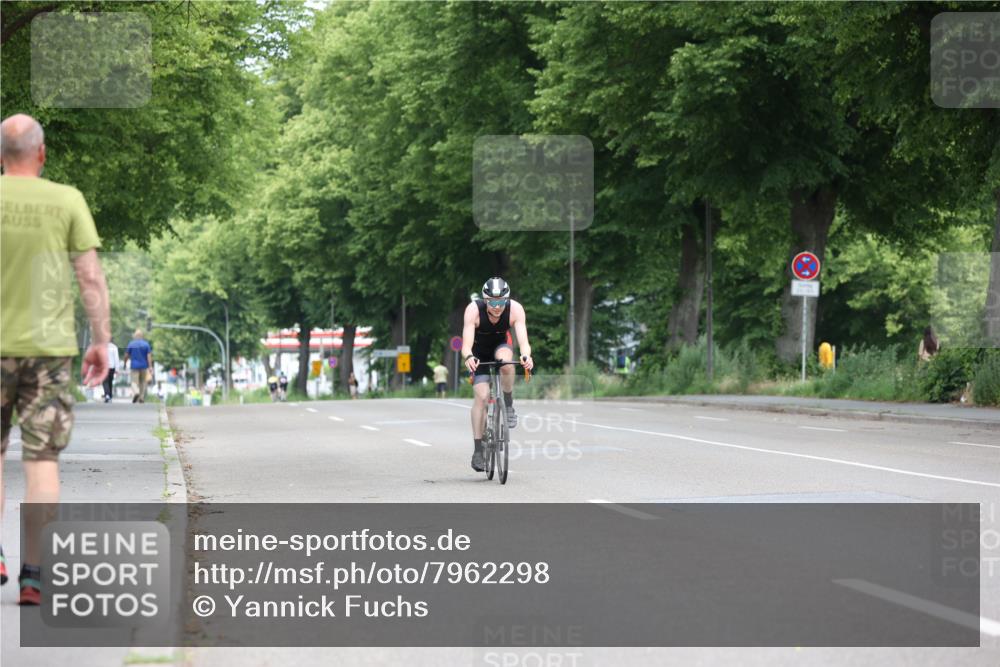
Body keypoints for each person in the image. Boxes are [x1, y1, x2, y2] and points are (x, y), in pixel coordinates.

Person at [0, 114, 110, 605]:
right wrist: (101, 340)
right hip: (48, 351)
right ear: (41, 154)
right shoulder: (67, 201)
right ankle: (33, 575)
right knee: (42, 460)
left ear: (2, 156)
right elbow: (89, 277)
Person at [462, 277, 534, 472]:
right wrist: (468, 356)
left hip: (501, 345)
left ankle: (508, 405)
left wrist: (526, 355)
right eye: (492, 302)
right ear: (485, 300)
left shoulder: (515, 309)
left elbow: (523, 341)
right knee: (482, 397)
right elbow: (466, 344)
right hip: (478, 353)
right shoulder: (473, 310)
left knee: (507, 365)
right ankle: (478, 450)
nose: (497, 307)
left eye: (501, 302)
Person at [123, 329, 153, 403]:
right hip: (144, 366)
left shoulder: (131, 344)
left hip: (134, 366)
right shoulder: (146, 344)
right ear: (142, 336)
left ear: (135, 336)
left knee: (134, 382)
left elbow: (126, 355)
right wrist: (150, 366)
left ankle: (136, 392)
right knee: (143, 382)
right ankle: (141, 397)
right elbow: (149, 356)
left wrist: (124, 363)